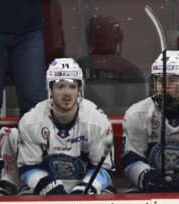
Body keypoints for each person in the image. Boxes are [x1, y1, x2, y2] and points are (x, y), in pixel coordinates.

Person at [16, 58, 114, 196]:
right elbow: (28, 167)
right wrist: (47, 187)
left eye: (72, 87)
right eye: (60, 87)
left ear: (80, 89)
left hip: (86, 185)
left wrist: (85, 188)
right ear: (50, 89)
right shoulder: (30, 122)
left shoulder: (97, 122)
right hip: (45, 188)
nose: (67, 93)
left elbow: (103, 168)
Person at [122, 50, 179, 193]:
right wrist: (147, 177)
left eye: (171, 80)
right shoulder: (137, 113)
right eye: (159, 80)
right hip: (150, 192)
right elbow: (131, 158)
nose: (164, 86)